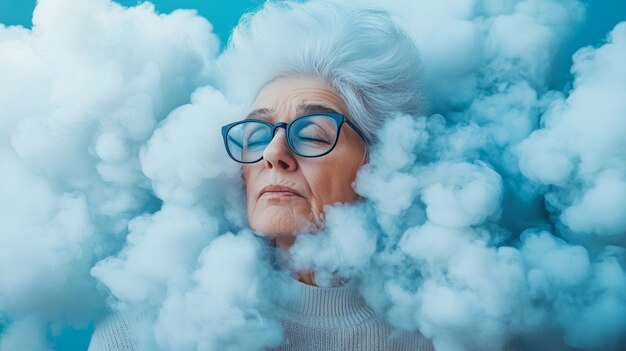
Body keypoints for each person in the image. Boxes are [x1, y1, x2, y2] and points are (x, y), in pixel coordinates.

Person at [89, 1, 432, 350]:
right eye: (257, 134)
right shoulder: (140, 335)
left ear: (381, 164)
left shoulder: (444, 333)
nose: (273, 154)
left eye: (312, 134)